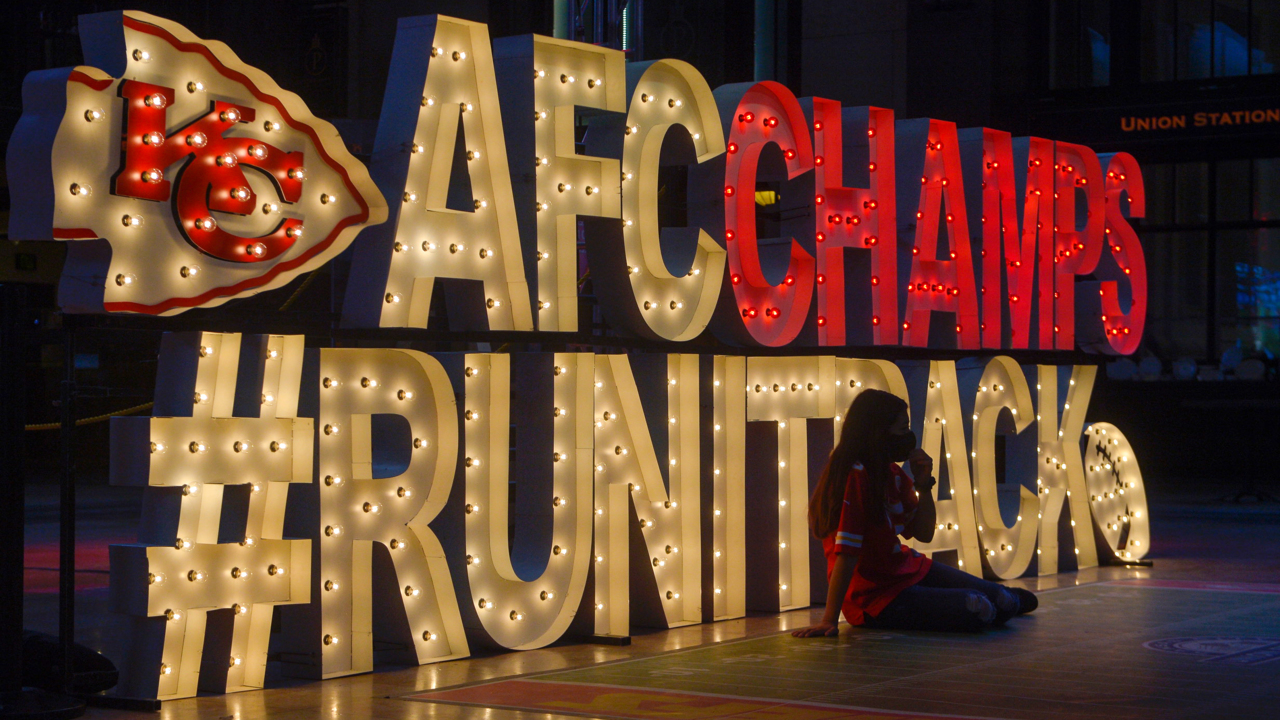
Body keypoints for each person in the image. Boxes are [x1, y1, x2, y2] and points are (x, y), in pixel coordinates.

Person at [791, 389, 1037, 637]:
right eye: (901, 429)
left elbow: (924, 532)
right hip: (876, 596)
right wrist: (829, 619)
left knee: (1004, 600)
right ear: (878, 432)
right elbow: (846, 553)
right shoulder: (854, 475)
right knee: (979, 607)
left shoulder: (891, 473)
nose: (908, 436)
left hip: (908, 569)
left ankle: (1002, 600)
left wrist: (923, 483)